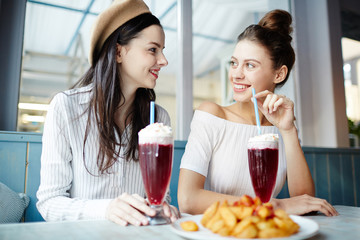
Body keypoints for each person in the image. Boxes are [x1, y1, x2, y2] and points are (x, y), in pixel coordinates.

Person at [178, 9, 338, 217]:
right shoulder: (213, 114)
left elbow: (305, 200)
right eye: (234, 63)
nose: (236, 74)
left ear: (279, 74)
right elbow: (188, 200)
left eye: (250, 65)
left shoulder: (282, 124)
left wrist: (288, 131)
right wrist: (274, 206)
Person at [37, 0, 179, 226]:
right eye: (153, 49)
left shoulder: (159, 119)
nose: (163, 61)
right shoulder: (65, 108)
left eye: (162, 51)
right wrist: (106, 209)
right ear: (118, 52)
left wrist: (164, 207)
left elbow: (162, 198)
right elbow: (49, 202)